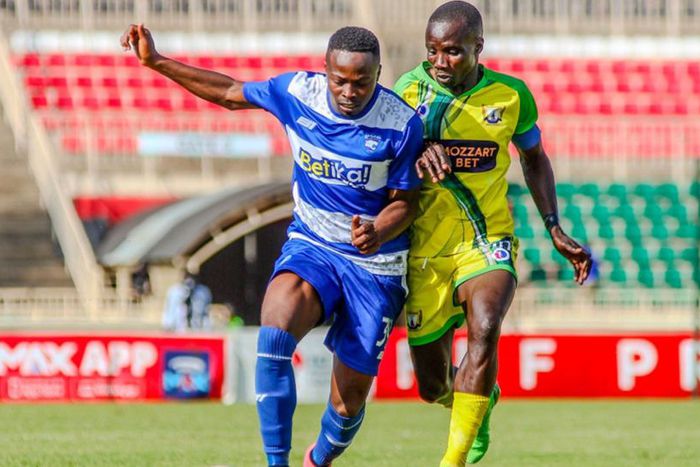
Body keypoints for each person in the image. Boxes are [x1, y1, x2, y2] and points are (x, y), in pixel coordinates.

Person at [121, 24, 423, 467]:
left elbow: (407, 203)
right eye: (339, 80)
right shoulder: (297, 93)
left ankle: (318, 459)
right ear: (325, 70)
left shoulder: (401, 124)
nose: (349, 92)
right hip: (313, 245)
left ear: (378, 75)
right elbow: (230, 92)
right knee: (275, 332)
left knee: (349, 401)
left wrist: (379, 228)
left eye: (361, 82)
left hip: (374, 263)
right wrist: (157, 61)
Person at [393, 2, 592, 466]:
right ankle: (478, 399)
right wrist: (417, 151)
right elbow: (389, 156)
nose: (439, 62)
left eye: (452, 51)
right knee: (432, 386)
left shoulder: (510, 95)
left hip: (487, 239)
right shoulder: (408, 90)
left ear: (477, 47)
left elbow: (534, 158)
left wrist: (553, 226)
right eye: (432, 51)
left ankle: (454, 460)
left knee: (485, 326)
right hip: (426, 250)